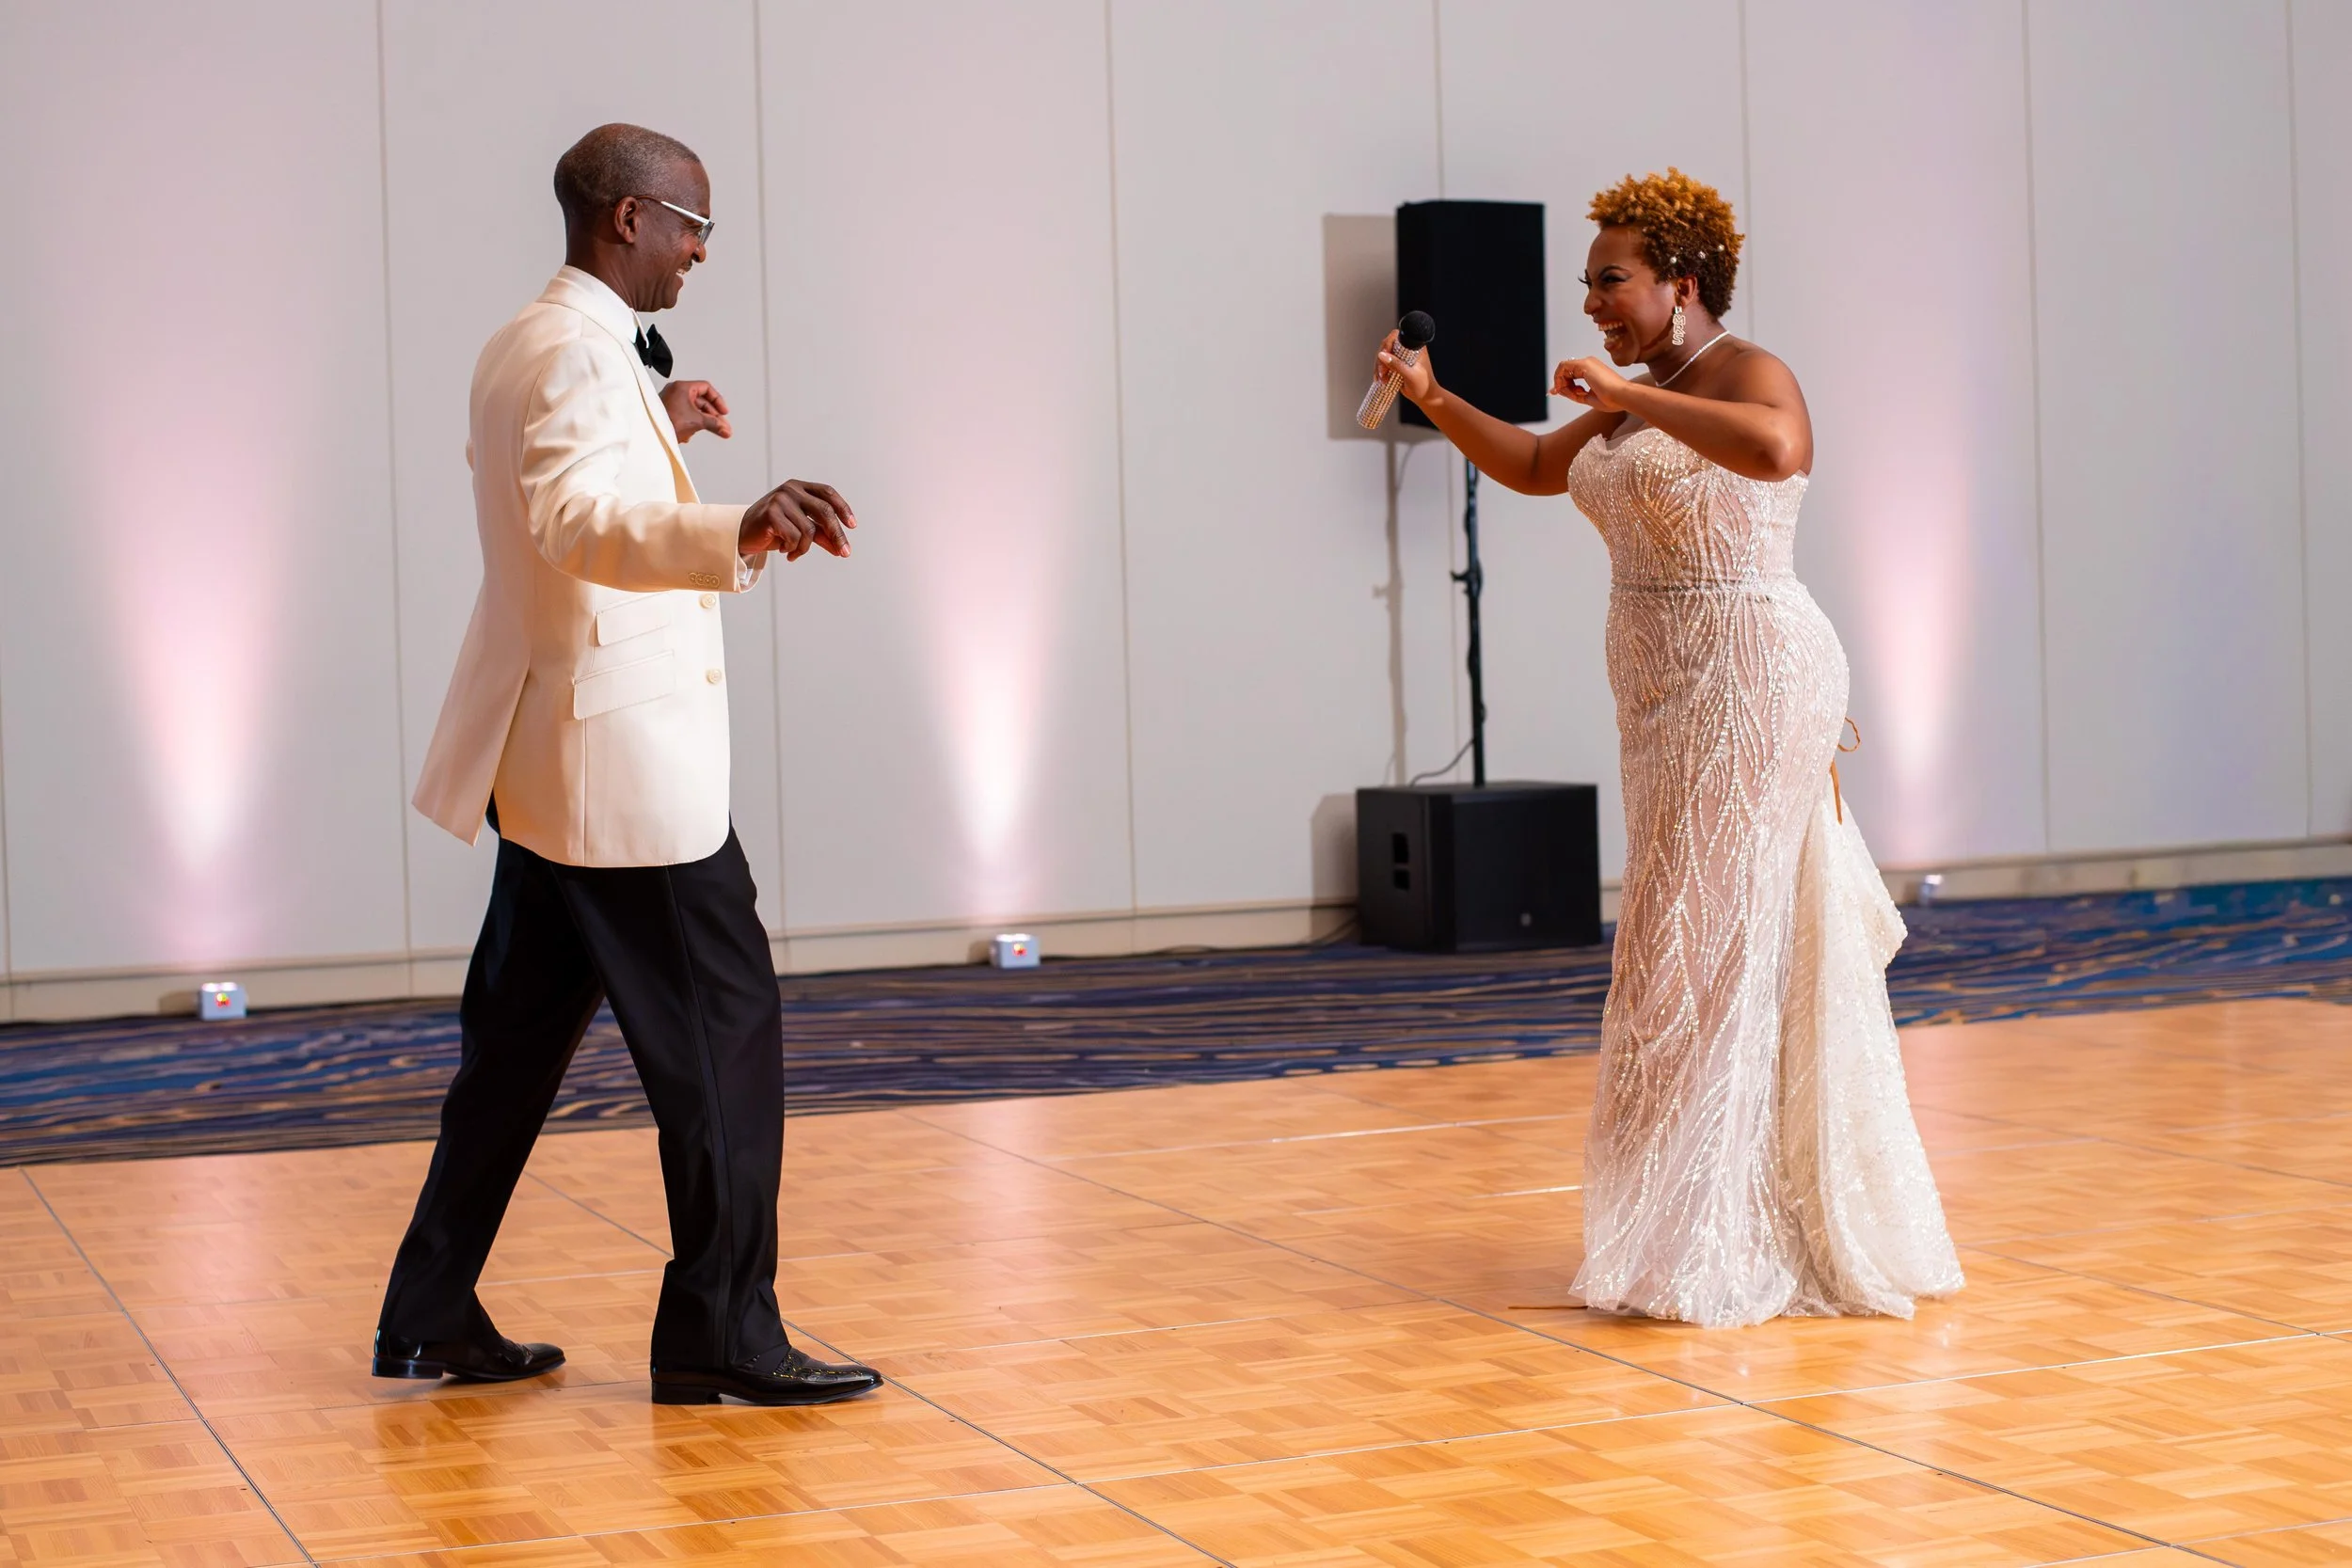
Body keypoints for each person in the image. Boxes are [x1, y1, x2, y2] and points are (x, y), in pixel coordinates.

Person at [1380, 168, 1963, 1325]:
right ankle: (1704, 1210)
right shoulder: (1642, 388)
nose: (1594, 301)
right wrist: (1435, 397)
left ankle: (1712, 1231)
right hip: (1662, 692)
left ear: (1682, 285)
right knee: (1682, 936)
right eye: (1590, 283)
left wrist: (1632, 398)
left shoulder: (1739, 375)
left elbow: (1777, 449)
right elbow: (1543, 467)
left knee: (1691, 945)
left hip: (1750, 670)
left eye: (1613, 280)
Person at [376, 123, 882, 1403]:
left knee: (513, 1049)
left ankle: (430, 1307)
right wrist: (738, 522)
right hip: (623, 773)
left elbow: (570, 485)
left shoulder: (534, 344)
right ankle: (722, 1326)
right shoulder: (570, 353)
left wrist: (657, 429)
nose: (701, 251)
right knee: (726, 1037)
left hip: (551, 757)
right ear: (626, 220)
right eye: (691, 225)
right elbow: (571, 518)